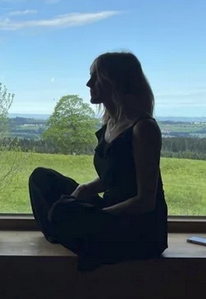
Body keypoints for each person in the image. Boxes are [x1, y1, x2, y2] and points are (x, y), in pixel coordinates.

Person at [28, 52, 168, 266]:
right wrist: (88, 188)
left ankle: (73, 236)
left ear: (115, 81)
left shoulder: (143, 128)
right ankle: (72, 235)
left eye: (95, 77)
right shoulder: (110, 124)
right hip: (109, 213)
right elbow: (118, 174)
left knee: (64, 211)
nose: (88, 83)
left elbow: (146, 201)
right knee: (41, 179)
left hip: (137, 228)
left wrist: (99, 215)